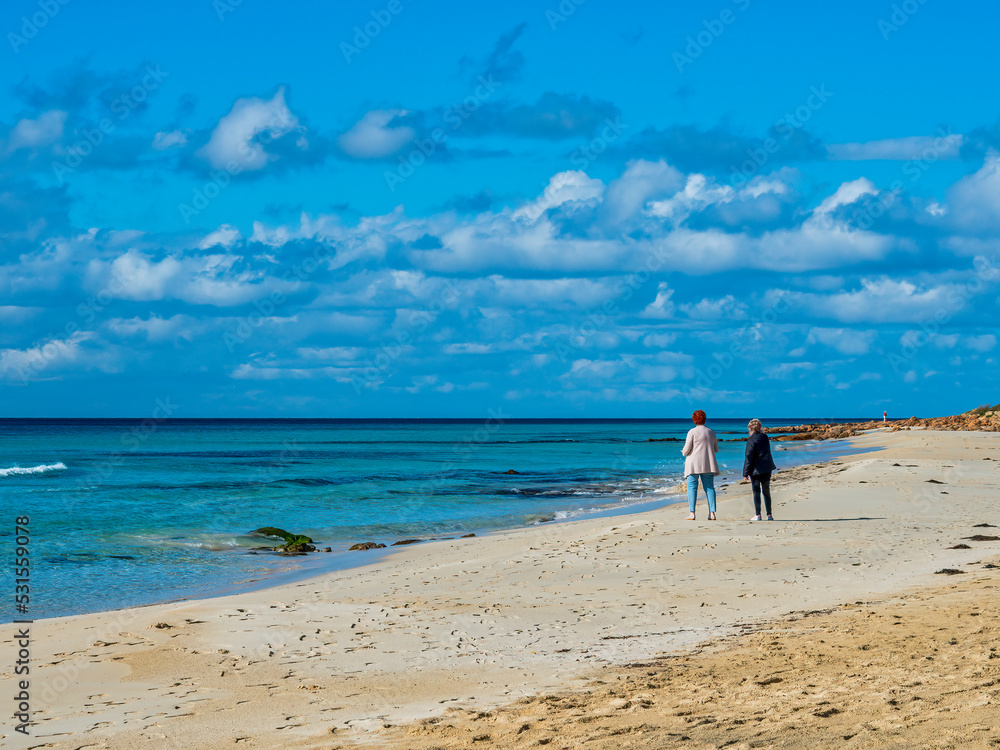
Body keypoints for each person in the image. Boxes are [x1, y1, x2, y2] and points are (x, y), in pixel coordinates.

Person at [681, 410, 719, 520]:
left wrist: (683, 452)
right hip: (708, 463)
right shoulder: (711, 432)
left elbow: (687, 449)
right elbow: (716, 449)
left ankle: (692, 513)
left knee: (692, 488)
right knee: (710, 488)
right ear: (704, 419)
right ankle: (712, 513)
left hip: (693, 464)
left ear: (694, 420)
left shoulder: (692, 432)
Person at [743, 418, 777, 521]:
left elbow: (749, 457)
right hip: (767, 467)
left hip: (756, 470)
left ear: (751, 429)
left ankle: (758, 515)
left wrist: (745, 473)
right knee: (766, 490)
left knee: (756, 491)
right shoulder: (765, 437)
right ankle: (769, 515)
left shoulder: (751, 440)